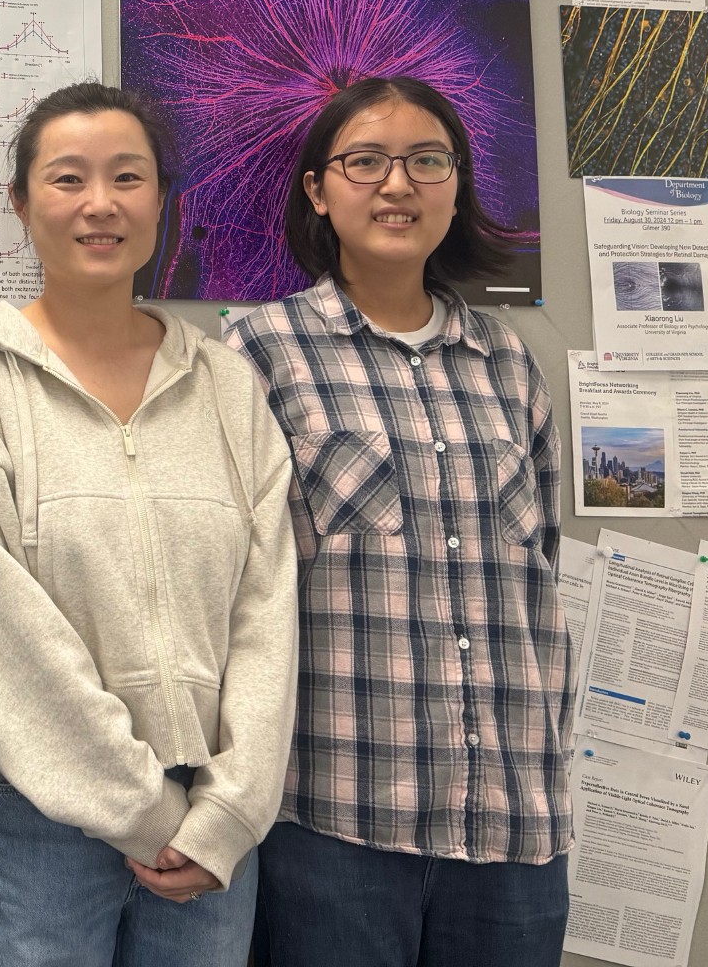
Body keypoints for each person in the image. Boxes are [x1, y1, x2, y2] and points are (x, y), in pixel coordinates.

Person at [0, 81, 298, 967]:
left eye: (128, 178)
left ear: (162, 201)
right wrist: (144, 813)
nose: (100, 204)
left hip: (213, 823)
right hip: (38, 817)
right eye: (68, 179)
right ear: (21, 203)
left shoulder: (225, 386)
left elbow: (268, 607)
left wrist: (230, 811)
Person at [226, 75, 573, 967]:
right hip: (336, 821)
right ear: (318, 190)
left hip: (513, 827)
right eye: (367, 162)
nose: (397, 185)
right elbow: (233, 591)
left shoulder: (508, 362)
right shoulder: (259, 353)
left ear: (456, 188)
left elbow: (543, 574)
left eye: (426, 162)